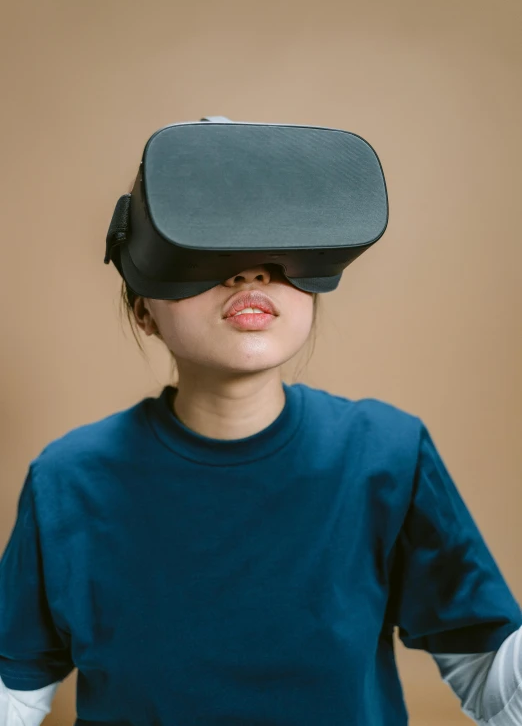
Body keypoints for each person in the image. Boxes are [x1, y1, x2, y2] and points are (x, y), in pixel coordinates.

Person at [0, 260, 521, 726]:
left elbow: (490, 677)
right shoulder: (68, 479)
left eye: (280, 252)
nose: (249, 274)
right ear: (144, 311)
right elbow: (13, 693)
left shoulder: (387, 453)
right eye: (205, 252)